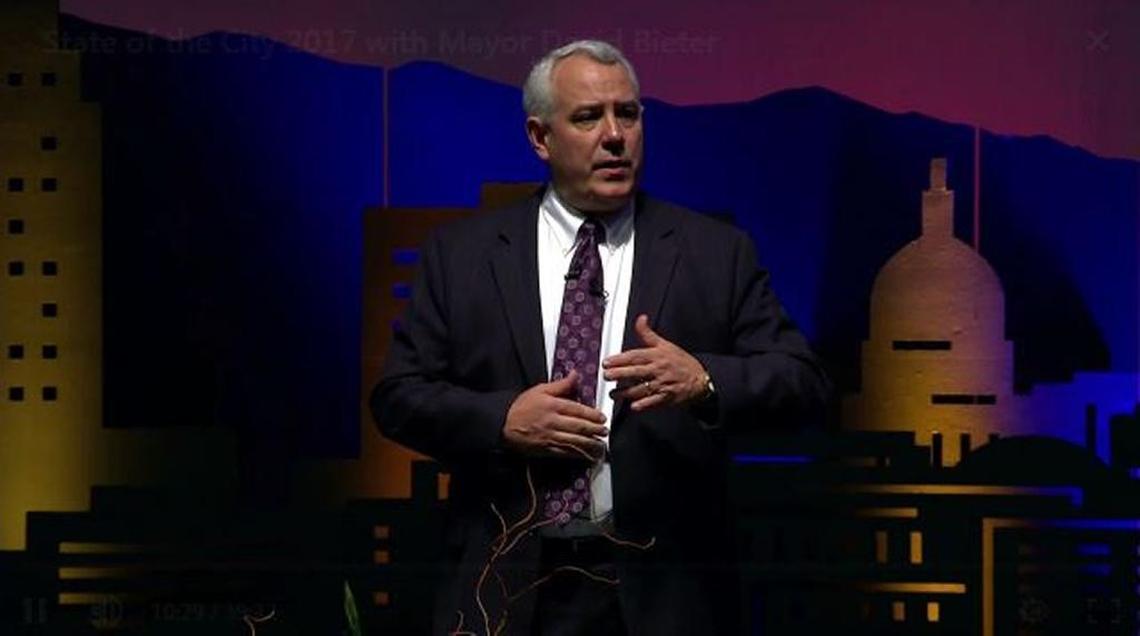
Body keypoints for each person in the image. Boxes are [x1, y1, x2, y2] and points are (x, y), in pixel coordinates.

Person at [372, 40, 830, 635]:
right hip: (506, 587)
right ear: (540, 137)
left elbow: (803, 382)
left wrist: (704, 381)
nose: (615, 136)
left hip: (664, 593)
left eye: (628, 114)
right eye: (589, 117)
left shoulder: (715, 252)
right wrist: (502, 420)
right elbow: (399, 397)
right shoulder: (462, 255)